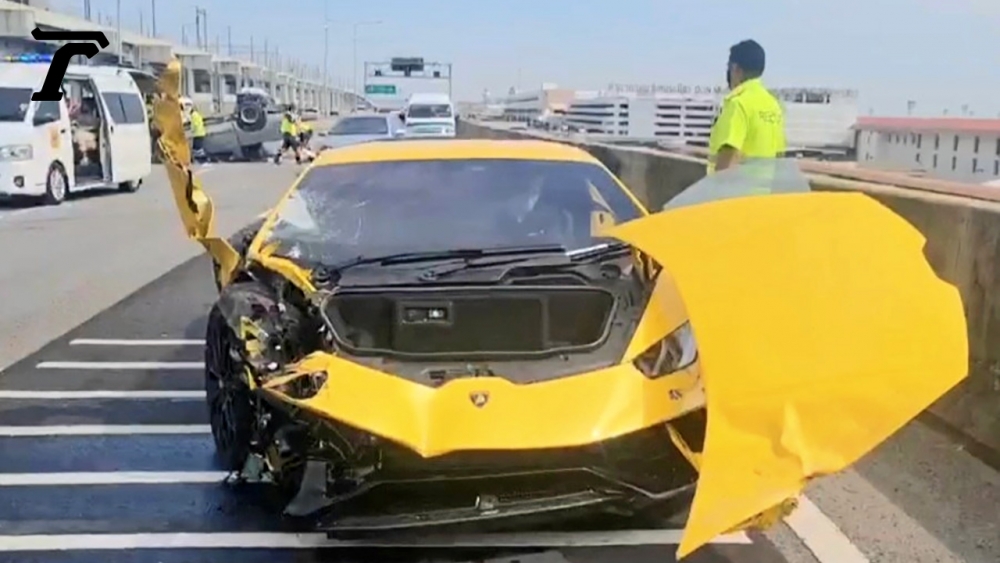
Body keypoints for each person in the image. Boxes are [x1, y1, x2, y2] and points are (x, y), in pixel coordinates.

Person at [707, 39, 786, 174]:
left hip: (738, 192)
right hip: (763, 193)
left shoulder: (738, 104)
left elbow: (728, 158)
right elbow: (779, 156)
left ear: (735, 69)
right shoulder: (773, 105)